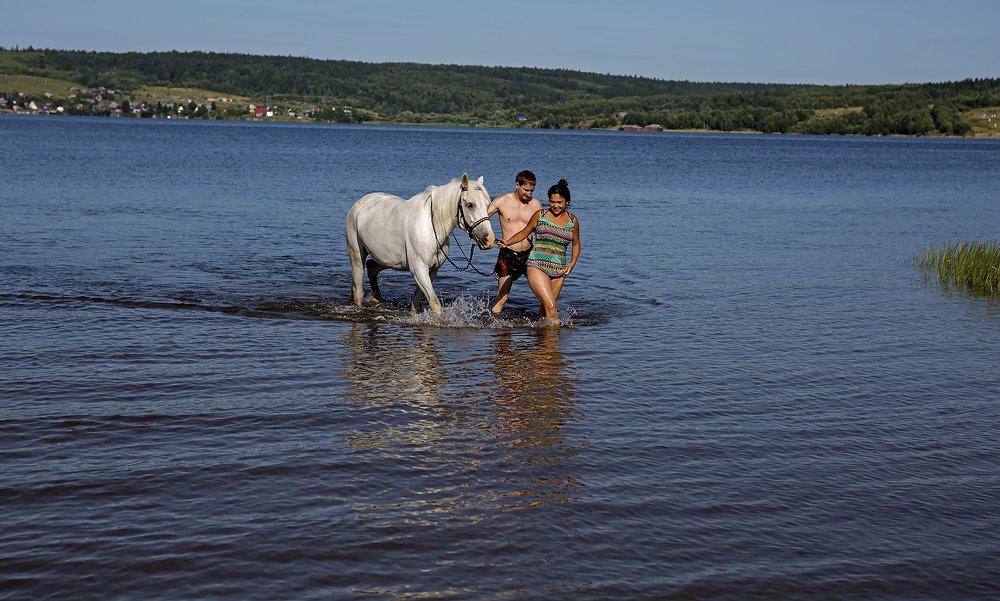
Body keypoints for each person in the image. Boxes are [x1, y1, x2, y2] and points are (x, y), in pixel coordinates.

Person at [497, 179, 581, 325]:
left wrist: (572, 263)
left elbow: (576, 244)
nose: (555, 206)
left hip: (559, 270)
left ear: (567, 202)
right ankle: (553, 346)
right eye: (552, 202)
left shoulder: (573, 221)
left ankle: (541, 343)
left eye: (559, 202)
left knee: (545, 310)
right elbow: (524, 233)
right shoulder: (540, 215)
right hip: (537, 266)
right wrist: (508, 242)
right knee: (552, 308)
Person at [487, 170, 543, 316]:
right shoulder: (501, 201)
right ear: (517, 185)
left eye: (531, 191)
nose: (529, 194)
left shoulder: (536, 204)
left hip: (530, 255)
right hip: (508, 255)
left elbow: (541, 229)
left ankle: (545, 326)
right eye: (526, 190)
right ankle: (496, 329)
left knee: (542, 295)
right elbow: (480, 219)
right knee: (502, 298)